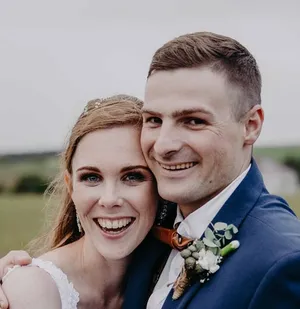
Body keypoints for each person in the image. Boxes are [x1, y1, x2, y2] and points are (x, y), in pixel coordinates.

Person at [1, 31, 300, 309]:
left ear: (251, 125)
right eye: (154, 120)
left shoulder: (283, 262)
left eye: (194, 120)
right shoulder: (150, 238)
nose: (164, 145)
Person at [0, 95, 160, 309]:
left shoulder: (172, 278)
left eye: (133, 176)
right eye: (91, 177)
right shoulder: (34, 287)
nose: (110, 199)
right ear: (71, 186)